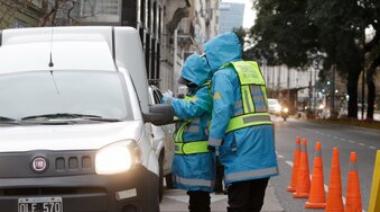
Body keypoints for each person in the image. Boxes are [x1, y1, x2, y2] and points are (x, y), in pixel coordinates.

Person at [203, 32, 279, 212]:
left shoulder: (223, 74)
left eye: (208, 56)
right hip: (263, 144)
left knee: (238, 204)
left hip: (241, 145)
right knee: (255, 203)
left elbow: (222, 110)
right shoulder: (252, 70)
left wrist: (213, 141)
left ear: (216, 54)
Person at [162, 53, 215, 212]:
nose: (187, 84)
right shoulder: (197, 92)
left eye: (189, 80)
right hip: (194, 160)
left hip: (200, 158)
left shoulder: (206, 93)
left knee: (200, 201)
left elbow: (191, 109)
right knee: (196, 199)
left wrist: (171, 101)